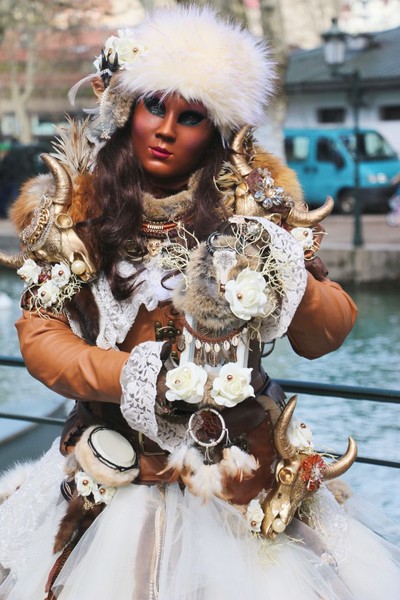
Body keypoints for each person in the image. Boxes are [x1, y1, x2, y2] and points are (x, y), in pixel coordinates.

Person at [0, 5, 398, 600]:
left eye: (190, 117)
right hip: (119, 467)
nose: (165, 130)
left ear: (214, 131)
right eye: (154, 106)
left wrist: (284, 263)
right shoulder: (74, 210)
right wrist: (134, 375)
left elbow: (327, 334)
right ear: (126, 108)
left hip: (244, 470)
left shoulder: (257, 206)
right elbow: (41, 336)